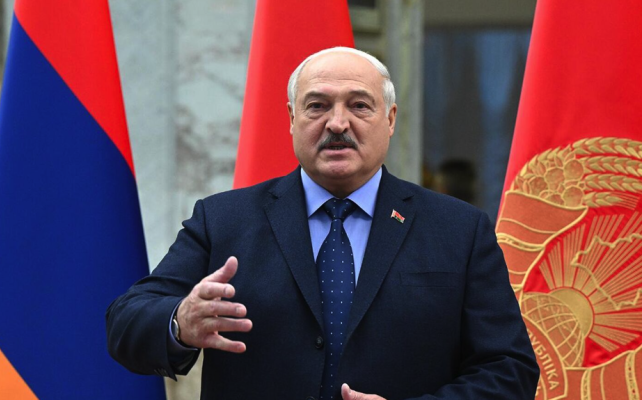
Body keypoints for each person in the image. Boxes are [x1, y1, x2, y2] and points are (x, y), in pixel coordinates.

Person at [106, 47, 539, 400]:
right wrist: (180, 322)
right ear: (292, 119)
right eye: (317, 106)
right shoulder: (223, 220)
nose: (337, 123)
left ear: (390, 120)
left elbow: (509, 369)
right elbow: (126, 323)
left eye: (359, 105)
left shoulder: (460, 230)